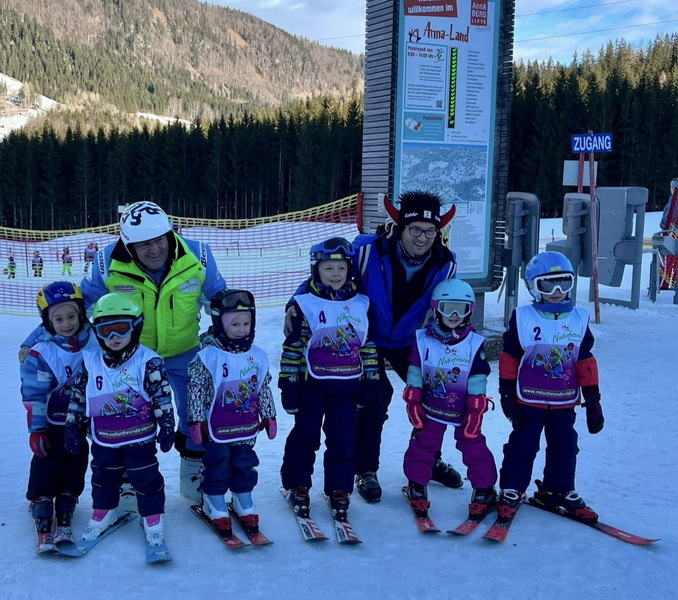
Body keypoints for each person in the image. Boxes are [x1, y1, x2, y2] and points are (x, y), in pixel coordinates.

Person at [20, 201, 226, 503]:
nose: (154, 250)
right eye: (143, 245)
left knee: (195, 412)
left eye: (159, 240)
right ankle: (129, 479)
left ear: (170, 234)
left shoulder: (199, 256)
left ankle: (192, 472)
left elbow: (221, 302)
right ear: (128, 245)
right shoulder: (108, 263)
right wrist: (35, 337)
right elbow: (76, 308)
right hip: (129, 358)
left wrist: (229, 340)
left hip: (183, 351)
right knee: (127, 415)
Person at [496, 251, 604, 522]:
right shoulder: (523, 317)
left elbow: (585, 362)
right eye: (547, 285)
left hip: (564, 401)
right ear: (533, 286)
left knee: (565, 446)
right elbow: (510, 357)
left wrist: (593, 401)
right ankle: (512, 488)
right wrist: (506, 393)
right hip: (529, 400)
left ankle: (558, 489)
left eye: (564, 283)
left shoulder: (578, 319)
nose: (557, 292)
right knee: (522, 445)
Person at [64, 293, 176, 548]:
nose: (114, 337)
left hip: (140, 438)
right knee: (103, 476)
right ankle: (105, 509)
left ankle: (152, 516)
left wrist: (167, 425)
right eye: (106, 331)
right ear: (97, 331)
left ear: (135, 327)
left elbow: (162, 396)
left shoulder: (148, 361)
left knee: (146, 477)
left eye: (121, 329)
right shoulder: (90, 361)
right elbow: (78, 396)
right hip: (104, 439)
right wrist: (73, 426)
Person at [280, 237, 379, 521]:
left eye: (341, 268)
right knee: (305, 436)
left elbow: (368, 345)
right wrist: (289, 386)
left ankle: (339, 488)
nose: (335, 274)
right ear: (316, 270)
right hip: (312, 387)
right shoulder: (304, 304)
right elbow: (293, 348)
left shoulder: (361, 303)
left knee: (343, 439)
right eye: (328, 268)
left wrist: (370, 381)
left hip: (347, 387)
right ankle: (297, 485)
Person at [402, 278, 497, 516]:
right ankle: (417, 483)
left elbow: (477, 376)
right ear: (436, 309)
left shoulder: (474, 343)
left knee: (473, 445)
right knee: (423, 445)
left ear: (469, 311)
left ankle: (484, 488)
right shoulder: (423, 339)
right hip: (431, 407)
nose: (454, 315)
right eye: (448, 308)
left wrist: (477, 405)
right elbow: (416, 369)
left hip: (462, 410)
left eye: (461, 309)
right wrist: (413, 397)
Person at [187, 289, 276, 532]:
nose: (241, 329)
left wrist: (269, 414)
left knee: (244, 461)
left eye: (246, 323)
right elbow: (196, 389)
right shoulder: (208, 357)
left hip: (246, 425)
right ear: (220, 324)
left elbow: (262, 387)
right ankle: (214, 499)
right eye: (234, 324)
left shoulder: (257, 356)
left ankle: (242, 497)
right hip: (216, 426)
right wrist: (196, 420)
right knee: (218, 461)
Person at [21, 281, 94, 551]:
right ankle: (41, 499)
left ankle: (67, 496)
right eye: (58, 319)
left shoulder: (94, 342)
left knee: (76, 460)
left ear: (81, 314)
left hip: (81, 421)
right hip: (52, 423)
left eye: (72, 316)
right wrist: (37, 430)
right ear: (48, 322)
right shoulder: (42, 352)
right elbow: (34, 394)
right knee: (48, 461)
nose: (66, 324)